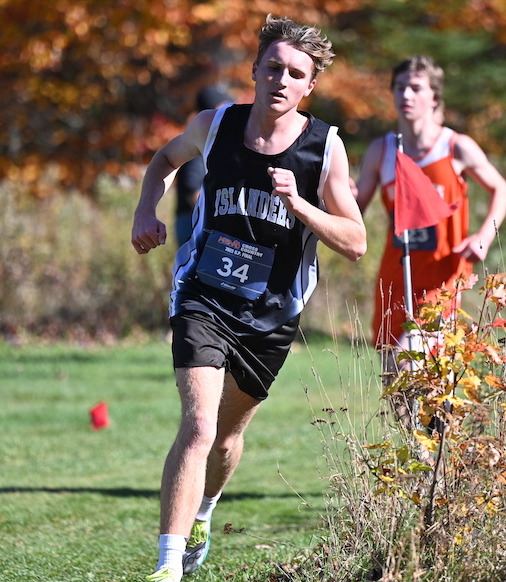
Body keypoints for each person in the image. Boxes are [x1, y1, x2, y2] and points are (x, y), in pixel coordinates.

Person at [131, 15, 366, 582]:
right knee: (199, 425)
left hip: (271, 312)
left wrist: (301, 206)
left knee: (226, 438)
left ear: (310, 86)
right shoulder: (215, 124)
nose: (282, 81)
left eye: (296, 74)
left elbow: (356, 241)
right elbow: (164, 160)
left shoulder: (325, 148)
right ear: (255, 70)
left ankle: (204, 510)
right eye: (273, 68)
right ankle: (167, 566)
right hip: (204, 296)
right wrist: (145, 210)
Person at [354, 55, 506, 353]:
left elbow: (501, 189)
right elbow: (355, 210)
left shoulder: (455, 147)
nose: (406, 95)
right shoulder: (381, 151)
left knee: (409, 360)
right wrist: (339, 193)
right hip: (395, 278)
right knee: (393, 373)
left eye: (416, 88)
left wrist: (483, 237)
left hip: (442, 279)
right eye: (400, 87)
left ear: (435, 98)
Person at [174, 85, 233, 247]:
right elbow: (192, 188)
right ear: (216, 109)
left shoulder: (208, 139)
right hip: (193, 222)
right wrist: (213, 222)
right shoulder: (203, 141)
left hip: (193, 221)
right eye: (226, 106)